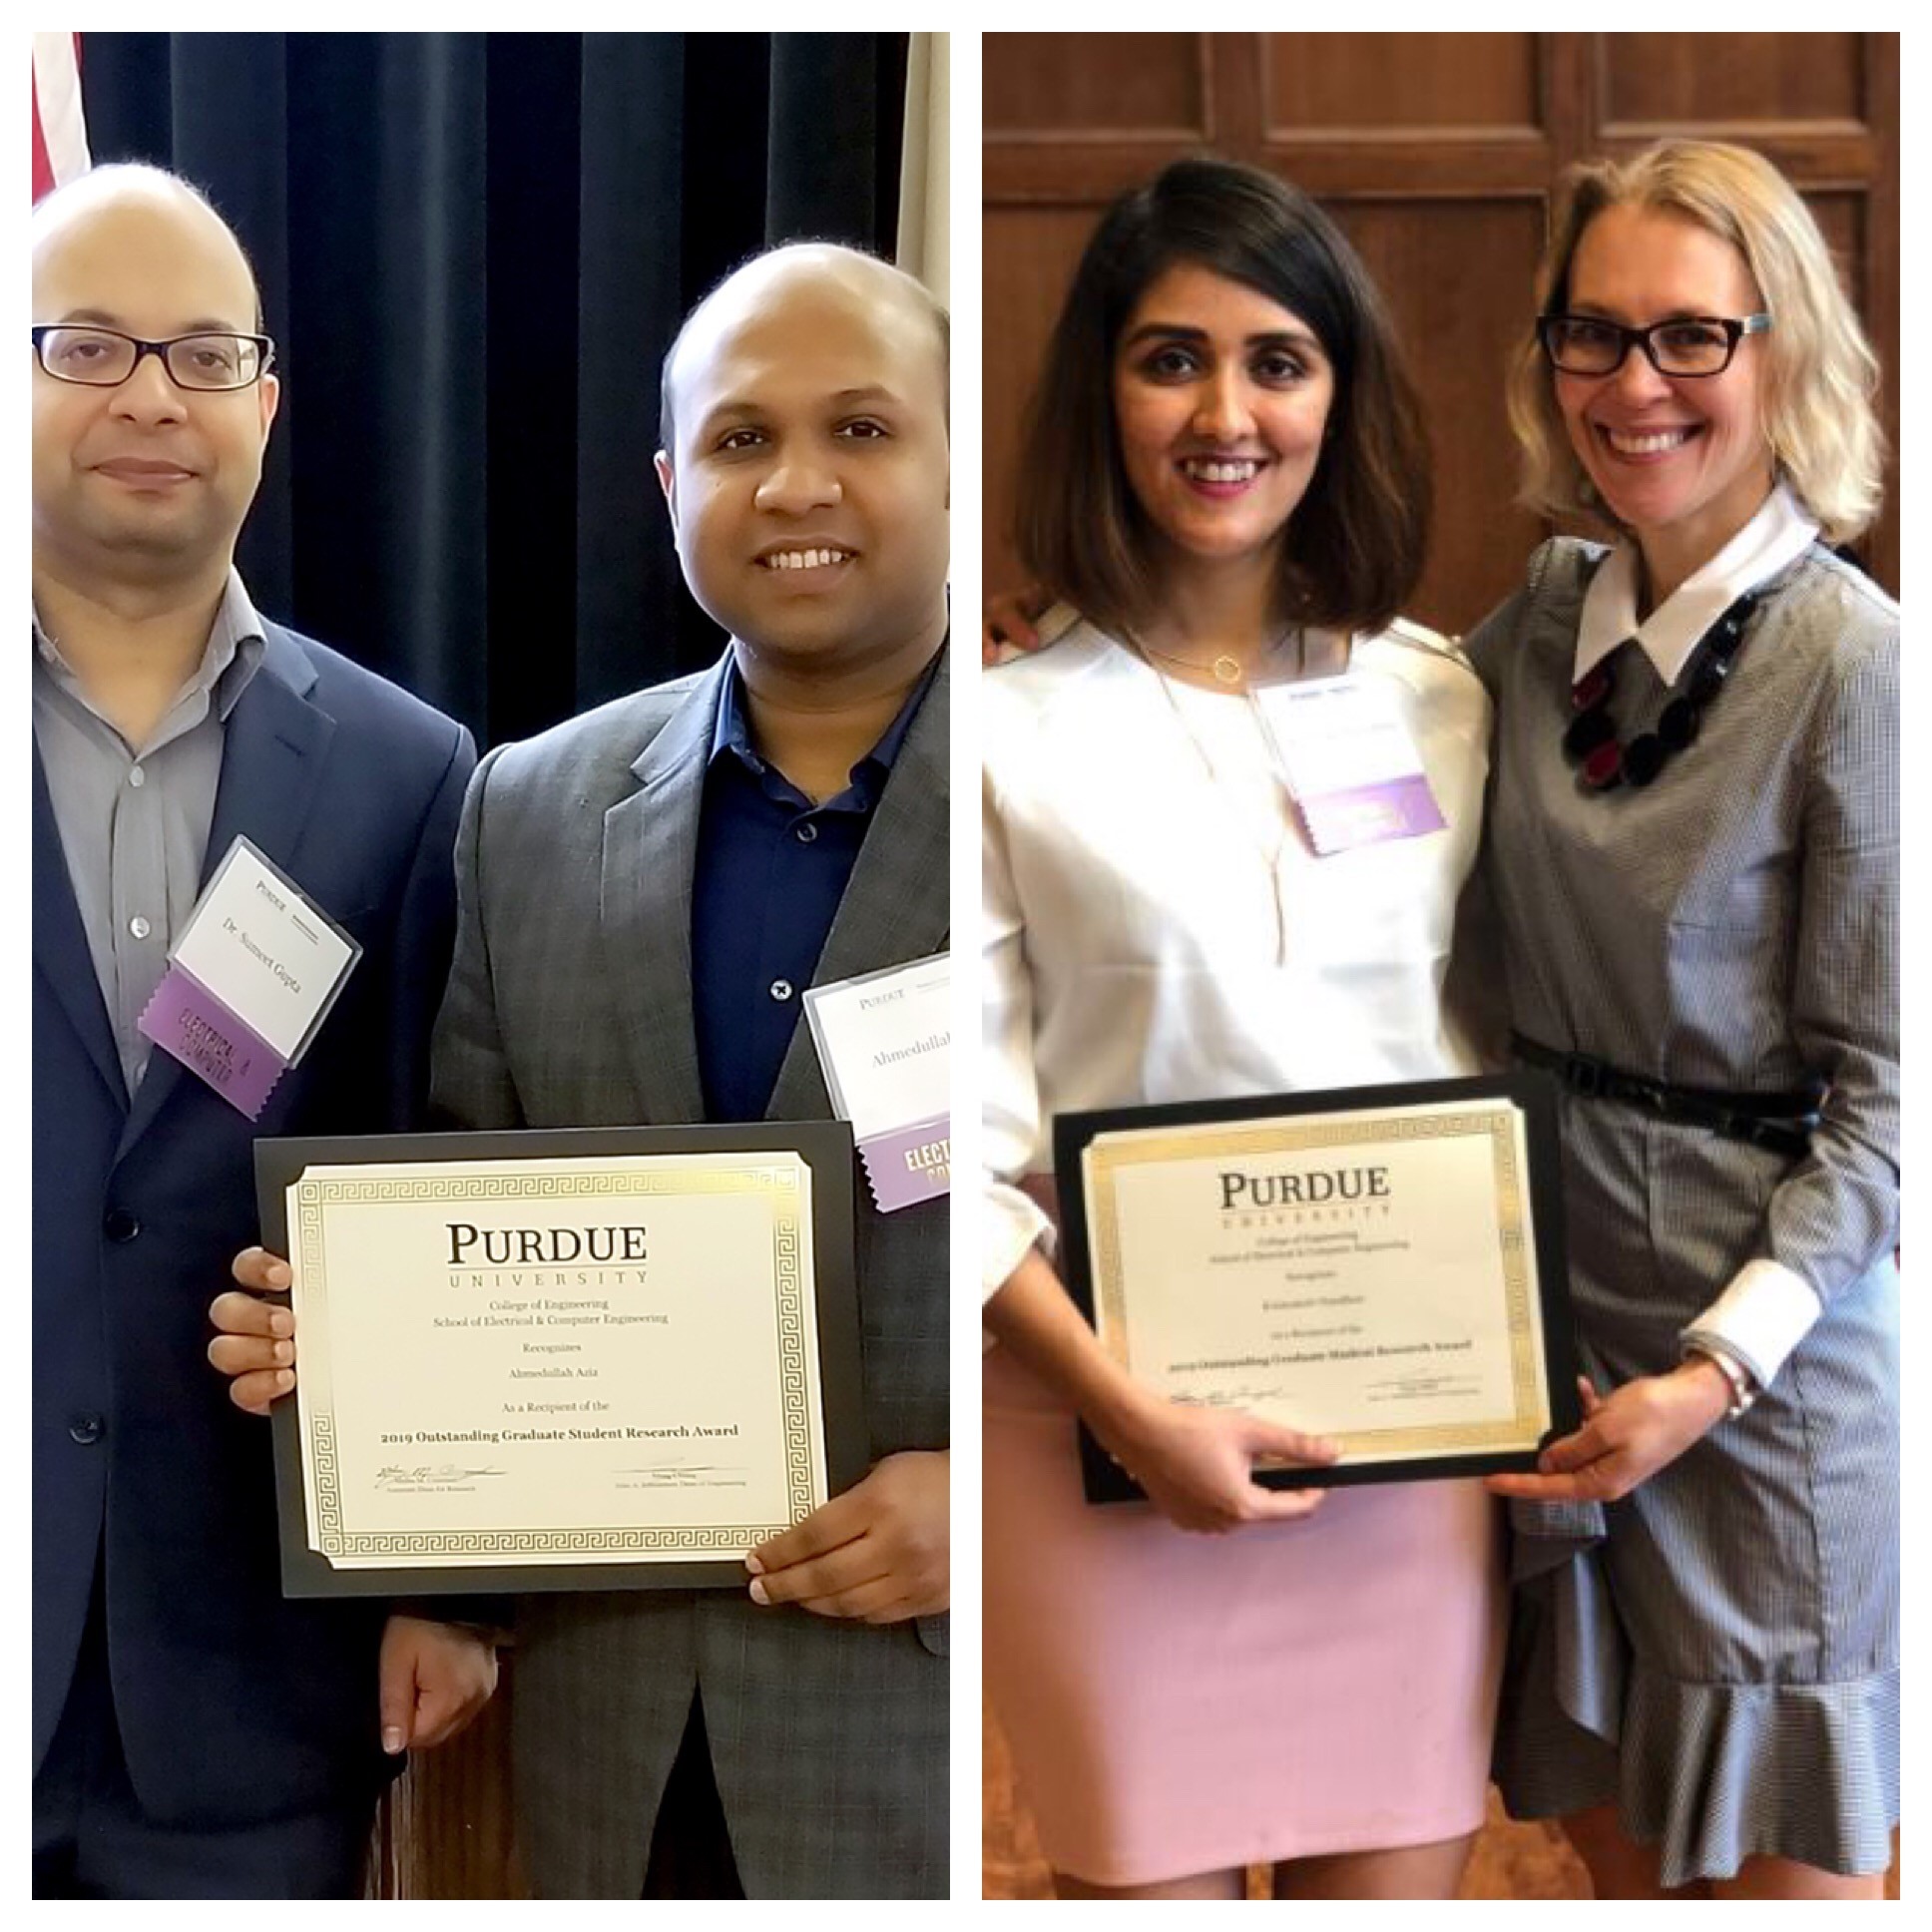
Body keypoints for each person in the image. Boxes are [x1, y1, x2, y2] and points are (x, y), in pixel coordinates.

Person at [212, 242, 951, 1898]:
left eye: (862, 428)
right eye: (742, 439)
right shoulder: (528, 808)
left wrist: (984, 1503)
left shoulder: (1059, 796)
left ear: (955, 456)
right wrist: (353, 1341)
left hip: (952, 1717)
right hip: (612, 1726)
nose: (798, 484)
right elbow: (469, 1190)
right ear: (671, 486)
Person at [980, 158, 1504, 1901]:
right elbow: (946, 1151)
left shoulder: (1443, 696)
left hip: (1405, 1449)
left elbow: (1492, 1053)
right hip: (1095, 1441)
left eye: (1278, 361)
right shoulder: (1000, 732)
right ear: (1102, 395)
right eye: (1171, 360)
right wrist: (1128, 1411)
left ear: (1339, 397)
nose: (1226, 415)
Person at [33, 164, 497, 1899]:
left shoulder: (407, 769)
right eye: (88, 345)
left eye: (204, 354)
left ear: (267, 404)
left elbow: (443, 1168)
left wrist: (446, 1582)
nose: (152, 395)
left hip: (249, 1668)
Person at [1464, 139, 1896, 1901]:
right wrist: (1092, 656)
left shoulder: (1855, 665)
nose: (1633, 384)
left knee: (1781, 1877)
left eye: (1692, 336)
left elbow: (1893, 1106)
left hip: (1764, 1371)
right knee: (1613, 1852)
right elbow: (1326, 741)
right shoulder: (1537, 625)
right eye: (1594, 333)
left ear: (1785, 355)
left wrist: (1713, 1375)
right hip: (1558, 1336)